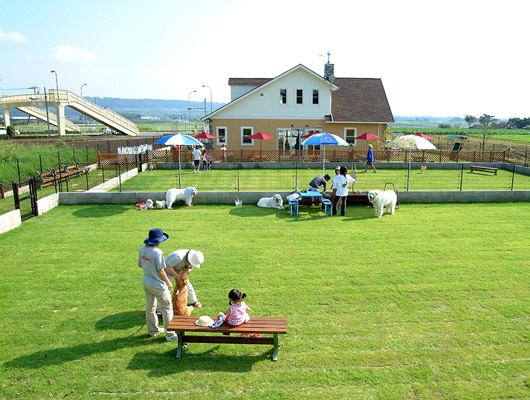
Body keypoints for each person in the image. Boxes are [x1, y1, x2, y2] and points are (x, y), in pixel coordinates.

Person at [138, 228, 178, 341]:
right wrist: (169, 283)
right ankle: (170, 335)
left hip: (146, 282)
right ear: (158, 241)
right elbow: (161, 271)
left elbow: (140, 265)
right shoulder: (157, 252)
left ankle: (153, 331)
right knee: (167, 308)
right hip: (158, 285)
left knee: (150, 307)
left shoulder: (142, 249)